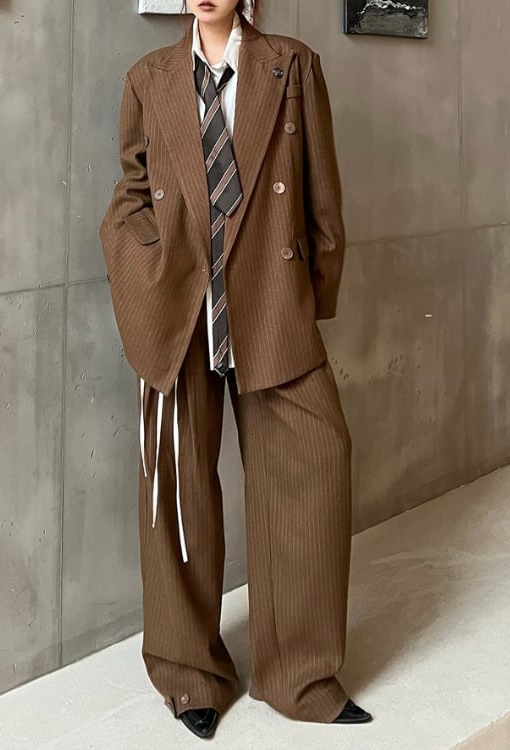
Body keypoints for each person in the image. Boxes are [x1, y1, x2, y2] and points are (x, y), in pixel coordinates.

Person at [98, 0, 372, 740]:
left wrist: (311, 297)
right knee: (176, 494)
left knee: (314, 469)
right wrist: (143, 275)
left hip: (270, 301)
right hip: (179, 308)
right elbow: (131, 192)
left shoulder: (292, 65)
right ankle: (189, 673)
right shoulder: (149, 78)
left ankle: (300, 674)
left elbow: (322, 196)